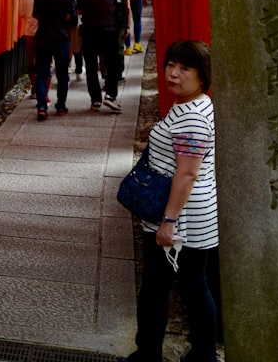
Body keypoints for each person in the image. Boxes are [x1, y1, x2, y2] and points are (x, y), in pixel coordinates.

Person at [119, 40, 217, 362]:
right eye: (171, 65)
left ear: (202, 77)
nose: (173, 73)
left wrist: (169, 222)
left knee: (157, 287)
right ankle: (202, 355)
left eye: (184, 68)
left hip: (181, 215)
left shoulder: (192, 118)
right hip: (191, 211)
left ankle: (148, 355)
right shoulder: (194, 104)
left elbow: (186, 174)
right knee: (193, 282)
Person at [77, 0, 123, 113]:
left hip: (89, 30)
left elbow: (80, 10)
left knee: (91, 66)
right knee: (112, 64)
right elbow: (116, 7)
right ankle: (110, 95)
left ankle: (95, 100)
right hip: (109, 30)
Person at [32, 0, 76, 120]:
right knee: (62, 74)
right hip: (61, 39)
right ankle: (61, 106)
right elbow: (73, 20)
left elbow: (36, 16)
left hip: (43, 38)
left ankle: (42, 107)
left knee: (42, 74)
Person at [18, 0, 50, 99]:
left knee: (31, 60)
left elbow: (22, 13)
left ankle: (34, 88)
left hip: (30, 30)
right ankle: (44, 91)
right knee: (45, 61)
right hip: (46, 30)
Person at [59, 0, 85, 77]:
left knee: (62, 46)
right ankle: (79, 68)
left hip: (59, 23)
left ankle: (64, 67)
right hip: (74, 22)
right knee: (77, 46)